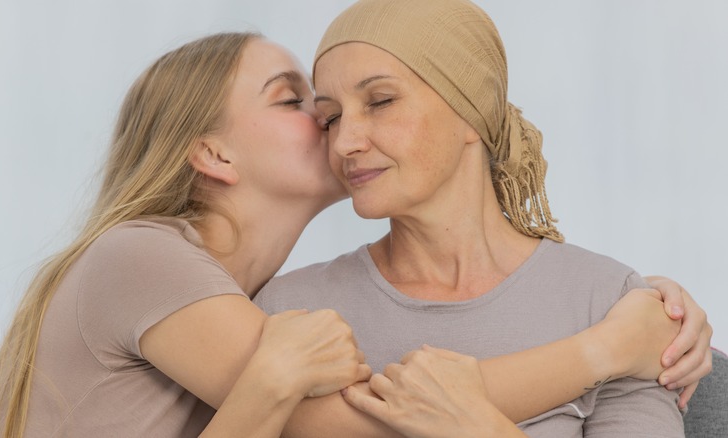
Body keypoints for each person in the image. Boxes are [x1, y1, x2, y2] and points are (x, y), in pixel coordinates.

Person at [0, 29, 709, 438]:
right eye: (306, 106)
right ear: (214, 155)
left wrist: (642, 308)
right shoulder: (148, 259)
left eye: (372, 103)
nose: (339, 132)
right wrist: (602, 350)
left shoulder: (239, 297)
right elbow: (361, 422)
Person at [253, 0, 713, 436]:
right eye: (331, 118)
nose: (344, 142)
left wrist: (478, 427)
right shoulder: (290, 309)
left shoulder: (617, 308)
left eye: (380, 101)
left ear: (472, 111)